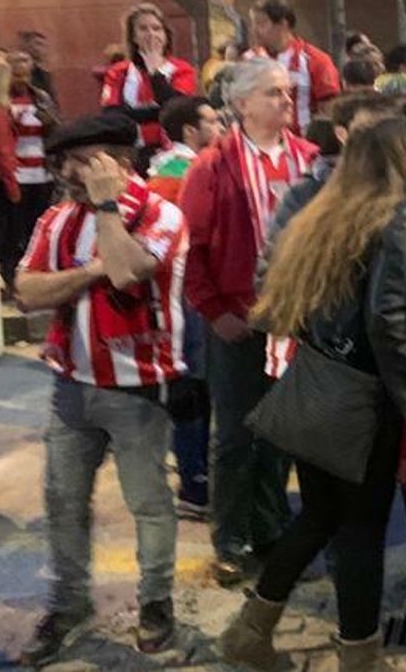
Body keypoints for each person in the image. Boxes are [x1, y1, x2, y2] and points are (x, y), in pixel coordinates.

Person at [218, 117, 406, 672]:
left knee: (319, 517)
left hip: (317, 382)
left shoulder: (326, 211)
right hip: (363, 396)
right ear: (400, 159)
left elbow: (285, 298)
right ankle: (359, 660)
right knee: (361, 531)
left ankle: (250, 634)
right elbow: (384, 321)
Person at [14, 114, 188, 664]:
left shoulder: (160, 212)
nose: (68, 170)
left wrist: (109, 210)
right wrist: (89, 270)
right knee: (63, 502)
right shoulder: (58, 218)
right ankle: (68, 604)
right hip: (70, 383)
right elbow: (27, 291)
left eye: (82, 160)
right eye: (67, 161)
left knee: (149, 504)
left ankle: (156, 603)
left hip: (136, 386)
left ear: (119, 163)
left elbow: (129, 272)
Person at [181, 57, 320, 586]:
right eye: (273, 94)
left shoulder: (309, 159)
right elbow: (190, 249)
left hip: (298, 321)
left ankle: (271, 531)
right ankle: (231, 540)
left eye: (288, 92)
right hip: (238, 321)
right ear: (241, 105)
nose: (285, 101)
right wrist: (214, 311)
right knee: (237, 434)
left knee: (283, 432)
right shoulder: (212, 166)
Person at [146, 95, 228, 520]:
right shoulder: (183, 173)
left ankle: (195, 480)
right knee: (194, 391)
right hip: (189, 299)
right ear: (190, 131)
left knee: (194, 391)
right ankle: (195, 484)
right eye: (212, 121)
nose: (220, 128)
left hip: (183, 299)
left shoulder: (165, 169)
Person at [100, 3, 200, 163]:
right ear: (133, 36)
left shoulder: (182, 69)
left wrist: (154, 72)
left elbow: (176, 110)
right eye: (143, 29)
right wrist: (155, 112)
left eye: (156, 28)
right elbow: (111, 115)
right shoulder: (118, 72)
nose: (151, 34)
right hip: (131, 151)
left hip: (173, 152)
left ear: (165, 34)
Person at [0, 49, 59, 287]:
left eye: (26, 75)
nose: (22, 80)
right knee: (12, 230)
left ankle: (36, 271)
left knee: (37, 226)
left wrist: (49, 122)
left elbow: (56, 131)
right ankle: (11, 275)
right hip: (13, 175)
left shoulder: (41, 97)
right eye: (16, 75)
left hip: (41, 174)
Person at [245, 0, 342, 133]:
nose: (254, 30)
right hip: (259, 146)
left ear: (283, 25)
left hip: (304, 146)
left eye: (261, 23)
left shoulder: (316, 61)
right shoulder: (248, 61)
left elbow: (330, 111)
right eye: (253, 23)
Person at [18, 29, 61, 109]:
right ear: (27, 45)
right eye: (38, 44)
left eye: (44, 46)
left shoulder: (45, 74)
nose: (42, 49)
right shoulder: (19, 72)